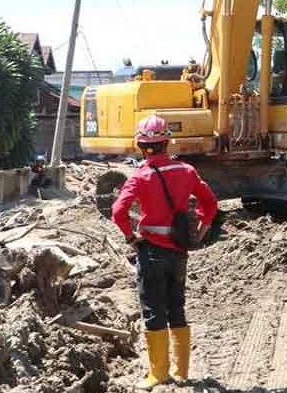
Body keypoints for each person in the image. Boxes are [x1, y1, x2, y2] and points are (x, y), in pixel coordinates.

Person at [113, 116, 218, 390]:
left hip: (150, 253)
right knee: (177, 308)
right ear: (166, 142)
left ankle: (158, 375)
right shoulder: (187, 171)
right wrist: (201, 230)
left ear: (141, 146)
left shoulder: (140, 176)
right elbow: (210, 203)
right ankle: (182, 372)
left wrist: (130, 238)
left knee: (153, 311)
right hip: (179, 252)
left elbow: (118, 212)